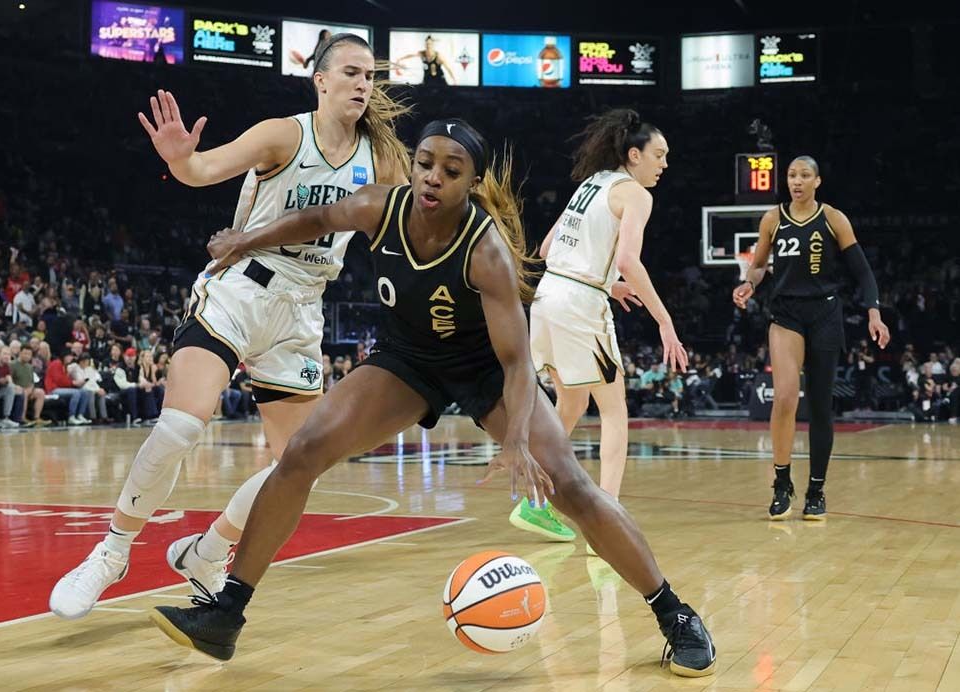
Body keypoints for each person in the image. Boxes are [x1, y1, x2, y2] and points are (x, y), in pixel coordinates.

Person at [150, 119, 716, 677]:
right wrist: (245, 239)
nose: (432, 178)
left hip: (485, 371)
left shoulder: (485, 250)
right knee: (302, 451)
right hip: (408, 361)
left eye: (451, 170)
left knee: (569, 484)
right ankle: (226, 615)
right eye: (425, 164)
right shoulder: (381, 206)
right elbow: (317, 217)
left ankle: (675, 614)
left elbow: (518, 363)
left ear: (471, 182)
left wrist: (516, 438)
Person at [49, 33, 411, 620]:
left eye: (370, 76)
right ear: (320, 80)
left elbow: (399, 232)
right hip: (243, 286)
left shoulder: (383, 157)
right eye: (351, 73)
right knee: (178, 428)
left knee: (295, 465)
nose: (363, 85)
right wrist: (179, 159)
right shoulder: (284, 134)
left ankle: (208, 550)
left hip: (303, 307)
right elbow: (202, 169)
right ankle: (111, 554)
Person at [525, 109, 687, 548]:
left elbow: (546, 247)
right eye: (659, 154)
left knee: (572, 403)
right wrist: (664, 320)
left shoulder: (590, 183)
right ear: (634, 155)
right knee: (615, 412)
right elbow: (629, 261)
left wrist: (604, 282)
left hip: (547, 297)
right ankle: (608, 519)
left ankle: (534, 503)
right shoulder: (634, 194)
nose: (664, 164)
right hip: (579, 306)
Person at [733, 155, 890, 520]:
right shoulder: (773, 218)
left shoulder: (833, 218)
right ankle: (782, 481)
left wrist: (874, 311)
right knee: (786, 397)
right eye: (791, 175)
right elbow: (758, 267)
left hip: (825, 313)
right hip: (786, 312)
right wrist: (747, 284)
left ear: (817, 181)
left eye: (805, 175)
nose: (797, 181)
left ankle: (816, 489)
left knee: (820, 406)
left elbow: (863, 272)